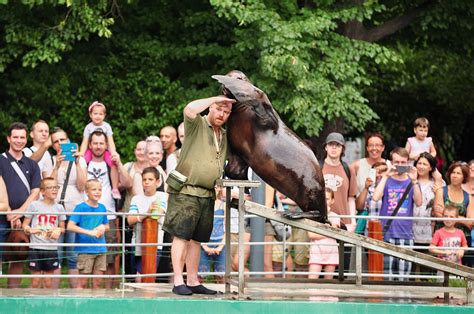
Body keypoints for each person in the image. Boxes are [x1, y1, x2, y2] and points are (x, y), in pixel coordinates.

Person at [162, 93, 235, 296]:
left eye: (226, 111)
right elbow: (189, 109)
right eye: (218, 109)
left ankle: (192, 280)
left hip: (208, 192)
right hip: (187, 189)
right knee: (181, 236)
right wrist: (215, 98)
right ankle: (178, 280)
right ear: (210, 108)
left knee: (197, 239)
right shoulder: (197, 125)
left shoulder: (225, 134)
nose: (221, 114)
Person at [86, 130, 133, 288]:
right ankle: (90, 294)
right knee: (88, 257)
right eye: (95, 143)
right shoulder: (83, 162)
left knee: (110, 258)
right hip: (87, 215)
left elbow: (127, 184)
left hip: (109, 215)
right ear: (90, 144)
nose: (98, 146)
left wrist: (118, 163)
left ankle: (109, 292)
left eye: (101, 143)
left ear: (106, 145)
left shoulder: (111, 163)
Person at [0, 122, 41, 288]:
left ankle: (12, 297)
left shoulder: (32, 164)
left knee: (17, 257)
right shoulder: (0, 161)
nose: (19, 140)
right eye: (15, 137)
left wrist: (20, 212)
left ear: (26, 139)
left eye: (22, 137)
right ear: (9, 139)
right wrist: (9, 212)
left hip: (24, 218)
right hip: (2, 217)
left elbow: (36, 191)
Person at [372, 147, 422, 281]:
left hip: (405, 235)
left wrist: (414, 181)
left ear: (408, 163)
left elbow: (418, 202)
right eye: (397, 162)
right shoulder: (386, 180)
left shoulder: (412, 181)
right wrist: (386, 175)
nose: (400, 165)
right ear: (391, 162)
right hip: (386, 233)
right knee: (386, 278)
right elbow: (376, 197)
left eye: (403, 162)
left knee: (402, 279)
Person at [48, 127, 87, 288]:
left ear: (69, 141)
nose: (59, 143)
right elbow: (49, 186)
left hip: (74, 212)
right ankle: (53, 295)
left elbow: (82, 186)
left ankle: (75, 295)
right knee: (55, 255)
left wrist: (77, 163)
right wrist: (56, 166)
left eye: (62, 140)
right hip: (56, 213)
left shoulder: (80, 160)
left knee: (72, 256)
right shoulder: (50, 160)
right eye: (56, 141)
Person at [22, 177, 66, 288]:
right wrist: (31, 230)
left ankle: (46, 304)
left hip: (51, 248)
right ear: (42, 191)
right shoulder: (34, 205)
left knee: (48, 281)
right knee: (35, 281)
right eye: (50, 187)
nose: (54, 190)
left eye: (56, 187)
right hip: (36, 247)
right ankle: (31, 304)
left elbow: (63, 228)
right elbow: (25, 225)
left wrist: (58, 230)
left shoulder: (59, 207)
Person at [67, 179, 110, 289]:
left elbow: (107, 226)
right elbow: (70, 226)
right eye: (94, 189)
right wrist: (89, 232)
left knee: (98, 282)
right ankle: (80, 304)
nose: (97, 192)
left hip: (101, 249)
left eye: (99, 189)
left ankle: (96, 304)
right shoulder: (80, 207)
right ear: (86, 192)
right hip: (85, 249)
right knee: (83, 282)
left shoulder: (102, 207)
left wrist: (103, 227)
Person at [127, 167, 167, 282]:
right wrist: (147, 212)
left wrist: (142, 215)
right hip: (137, 243)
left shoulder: (162, 196)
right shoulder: (136, 199)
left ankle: (147, 297)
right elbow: (130, 220)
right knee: (138, 276)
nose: (147, 182)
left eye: (150, 179)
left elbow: (157, 215)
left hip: (156, 244)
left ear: (158, 182)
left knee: (147, 274)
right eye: (144, 180)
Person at [434, 161, 473, 267]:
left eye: (458, 173)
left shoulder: (469, 197)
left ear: (464, 177)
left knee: (463, 271)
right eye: (453, 172)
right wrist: (462, 218)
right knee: (441, 268)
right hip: (443, 236)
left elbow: (470, 222)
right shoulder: (441, 191)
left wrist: (447, 215)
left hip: (463, 239)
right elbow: (438, 214)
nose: (455, 176)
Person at [79, 101, 121, 199]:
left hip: (104, 151)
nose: (98, 116)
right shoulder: (88, 127)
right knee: (82, 163)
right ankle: (84, 187)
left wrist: (113, 152)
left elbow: (110, 141)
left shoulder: (106, 126)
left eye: (101, 114)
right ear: (90, 115)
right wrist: (81, 153)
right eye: (95, 114)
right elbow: (85, 142)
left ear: (104, 115)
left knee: (113, 163)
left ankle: (115, 188)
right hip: (90, 150)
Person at [308, 188, 340, 279]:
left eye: (327, 199)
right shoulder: (313, 216)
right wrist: (328, 231)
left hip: (331, 252)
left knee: (328, 283)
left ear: (332, 200)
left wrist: (320, 231)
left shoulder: (335, 216)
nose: (324, 202)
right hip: (316, 252)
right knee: (312, 281)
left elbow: (335, 231)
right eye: (322, 199)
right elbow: (311, 235)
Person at [199, 186, 226, 283]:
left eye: (217, 187)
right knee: (201, 273)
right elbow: (198, 227)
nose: (215, 189)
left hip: (220, 242)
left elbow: (227, 227)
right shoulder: (202, 205)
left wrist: (220, 246)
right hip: (204, 242)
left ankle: (222, 295)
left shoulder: (223, 206)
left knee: (221, 274)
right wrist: (204, 246)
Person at [430, 205, 468, 272]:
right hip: (442, 268)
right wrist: (443, 252)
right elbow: (431, 248)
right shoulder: (438, 232)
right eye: (445, 216)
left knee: (456, 282)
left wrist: (462, 250)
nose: (448, 219)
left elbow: (465, 246)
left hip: (457, 268)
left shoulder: (460, 232)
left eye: (451, 217)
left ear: (456, 218)